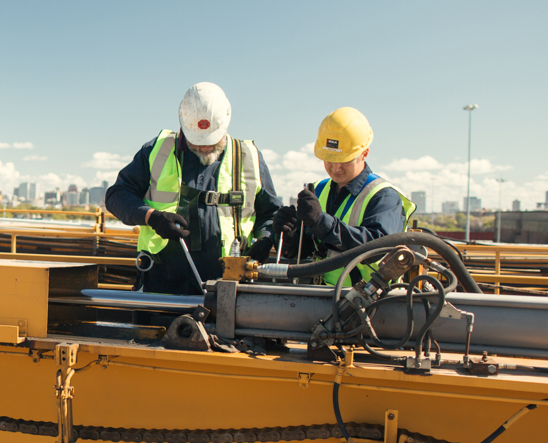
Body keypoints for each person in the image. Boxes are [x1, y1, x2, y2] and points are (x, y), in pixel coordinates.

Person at [105, 82, 283, 295]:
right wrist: (151, 217)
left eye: (211, 139)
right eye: (197, 140)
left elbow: (271, 214)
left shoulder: (249, 157)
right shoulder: (156, 150)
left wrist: (266, 239)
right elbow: (116, 195)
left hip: (228, 287)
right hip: (162, 285)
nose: (204, 146)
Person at [275, 106, 415, 285]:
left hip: (368, 304)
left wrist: (321, 222)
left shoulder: (383, 196)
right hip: (320, 296)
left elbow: (377, 249)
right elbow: (308, 251)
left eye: (344, 161)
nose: (335, 168)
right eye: (329, 159)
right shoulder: (319, 189)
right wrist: (289, 235)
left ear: (364, 153)